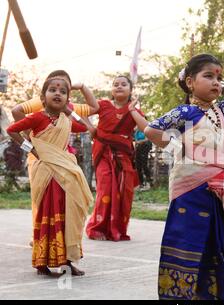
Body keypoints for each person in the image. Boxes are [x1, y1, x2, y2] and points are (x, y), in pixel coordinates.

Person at [139, 53, 224, 299]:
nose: (216, 82)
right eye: (209, 76)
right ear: (191, 82)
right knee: (189, 243)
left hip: (220, 191)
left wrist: (218, 83)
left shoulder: (221, 111)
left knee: (221, 243)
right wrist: (177, 149)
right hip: (191, 191)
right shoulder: (185, 112)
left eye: (219, 77)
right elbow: (151, 130)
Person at [6, 77, 96, 276]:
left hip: (66, 173)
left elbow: (87, 127)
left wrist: (70, 111)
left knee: (70, 215)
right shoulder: (37, 117)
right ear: (43, 98)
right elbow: (11, 130)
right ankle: (42, 264)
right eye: (53, 90)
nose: (58, 93)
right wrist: (32, 150)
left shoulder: (67, 120)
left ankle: (67, 261)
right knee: (51, 213)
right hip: (47, 173)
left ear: (67, 99)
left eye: (63, 92)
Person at [85, 76, 144, 241]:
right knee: (105, 187)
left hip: (123, 155)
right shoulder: (103, 105)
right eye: (115, 84)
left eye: (124, 84)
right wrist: (90, 127)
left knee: (123, 190)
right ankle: (97, 228)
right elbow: (81, 112)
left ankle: (116, 229)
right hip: (103, 151)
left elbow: (144, 127)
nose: (119, 86)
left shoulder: (133, 110)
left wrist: (132, 110)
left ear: (130, 90)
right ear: (111, 90)